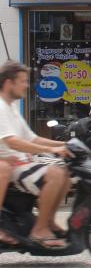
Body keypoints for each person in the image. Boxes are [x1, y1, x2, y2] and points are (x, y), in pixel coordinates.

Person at [0, 61, 72, 248]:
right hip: (13, 166)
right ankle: (39, 230)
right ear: (9, 83)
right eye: (23, 81)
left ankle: (47, 220)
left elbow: (32, 138)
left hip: (23, 161)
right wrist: (52, 150)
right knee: (56, 174)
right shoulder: (0, 107)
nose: (26, 85)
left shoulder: (11, 107)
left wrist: (65, 144)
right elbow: (13, 142)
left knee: (66, 172)